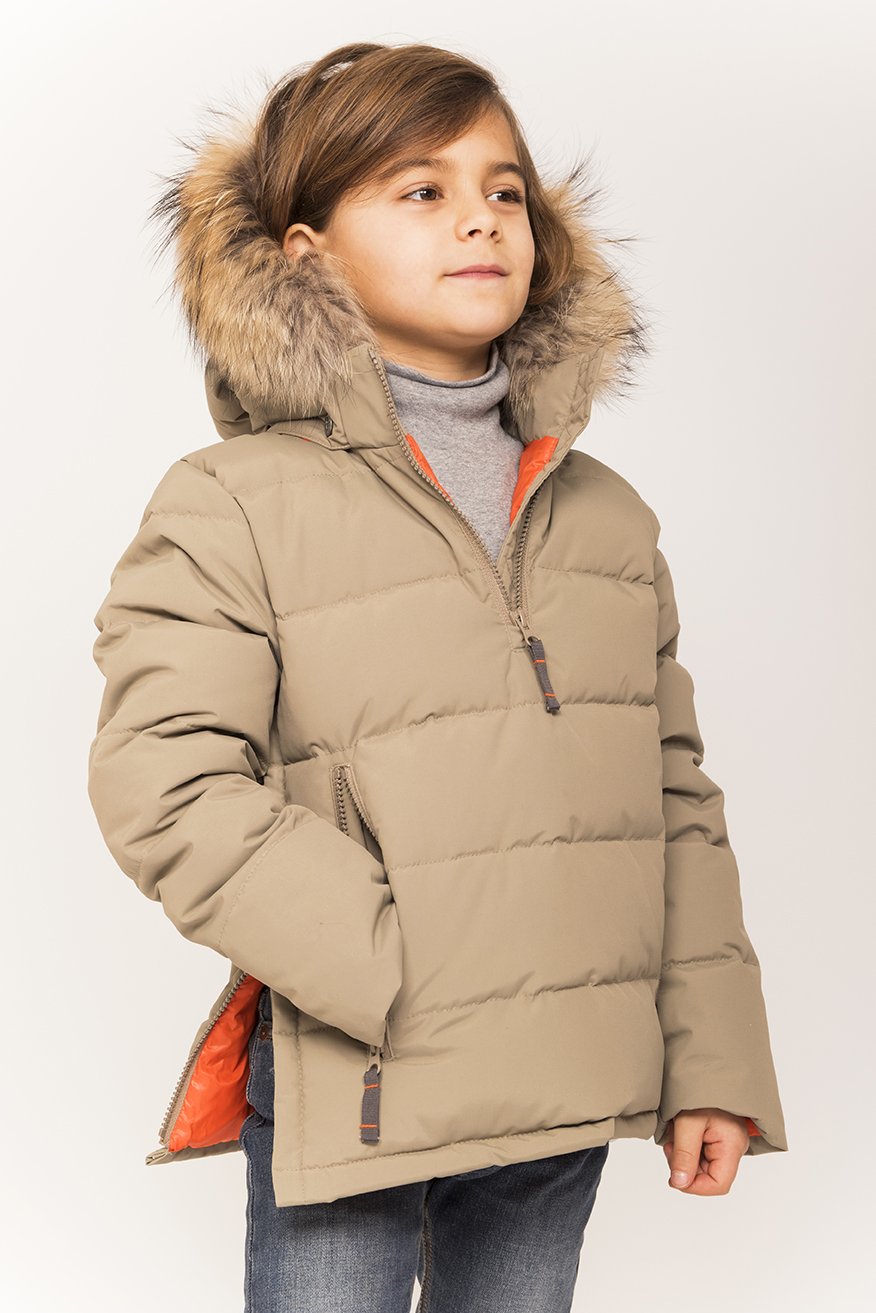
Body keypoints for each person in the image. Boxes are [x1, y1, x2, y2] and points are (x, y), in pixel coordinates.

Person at [87, 40, 788, 1313]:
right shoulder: (233, 503)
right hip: (366, 1071)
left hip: (566, 1079)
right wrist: (388, 963)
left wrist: (715, 1058)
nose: (481, 217)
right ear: (305, 254)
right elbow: (165, 782)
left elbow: (672, 798)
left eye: (504, 189)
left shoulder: (606, 517)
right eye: (421, 189)